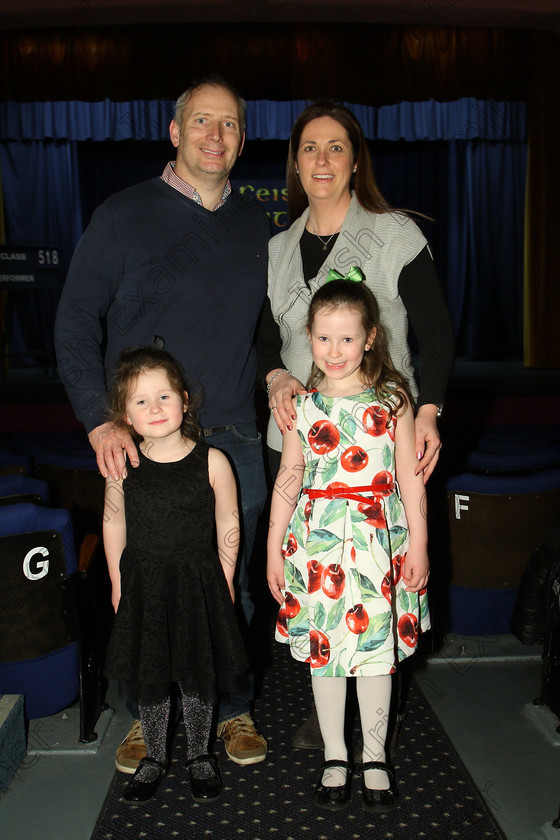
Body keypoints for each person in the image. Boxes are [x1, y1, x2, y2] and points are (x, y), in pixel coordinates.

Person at [55, 75, 272, 770]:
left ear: (243, 139)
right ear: (175, 133)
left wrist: (280, 374)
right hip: (147, 444)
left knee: (227, 585)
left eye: (230, 124)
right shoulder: (122, 214)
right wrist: (98, 420)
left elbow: (268, 333)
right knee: (143, 586)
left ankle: (231, 710)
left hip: (233, 438)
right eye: (202, 122)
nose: (216, 135)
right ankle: (143, 719)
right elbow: (73, 323)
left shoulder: (255, 225)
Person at [267, 277, 430, 811]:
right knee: (327, 656)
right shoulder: (303, 406)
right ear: (308, 337)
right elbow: (289, 476)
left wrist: (421, 545)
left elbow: (409, 477)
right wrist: (273, 548)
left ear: (370, 338)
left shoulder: (393, 400)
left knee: (377, 656)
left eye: (346, 339)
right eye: (322, 339)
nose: (334, 352)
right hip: (315, 546)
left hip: (379, 540)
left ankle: (376, 755)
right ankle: (336, 754)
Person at [262, 99, 454, 484]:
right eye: (309, 148)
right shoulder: (277, 249)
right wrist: (277, 378)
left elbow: (436, 334)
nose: (321, 160)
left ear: (354, 163)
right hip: (292, 443)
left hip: (378, 439)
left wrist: (428, 412)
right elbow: (266, 341)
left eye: (335, 148)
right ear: (295, 163)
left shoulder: (396, 235)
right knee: (297, 544)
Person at [103, 346, 248, 803]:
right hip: (144, 585)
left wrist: (225, 576)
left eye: (164, 396)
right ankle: (155, 756)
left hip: (197, 582)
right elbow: (113, 523)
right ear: (125, 416)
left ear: (185, 401)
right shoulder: (122, 467)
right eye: (141, 401)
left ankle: (200, 755)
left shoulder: (213, 461)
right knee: (152, 675)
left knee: (197, 672)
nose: (154, 408)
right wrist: (116, 582)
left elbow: (229, 521)